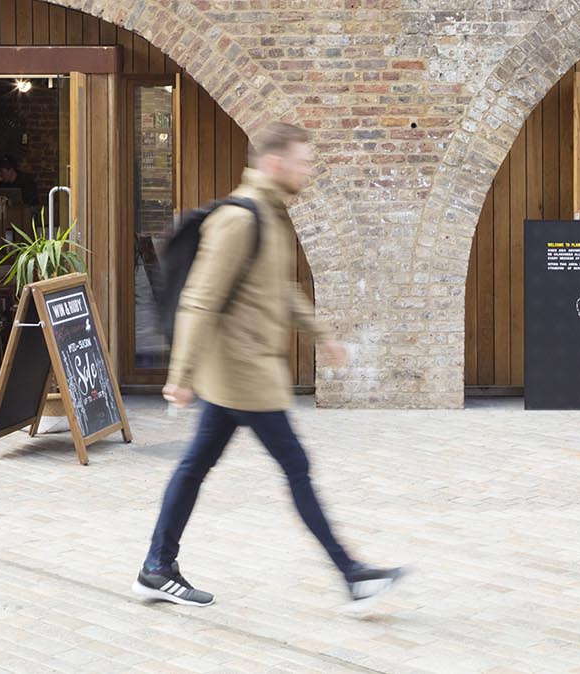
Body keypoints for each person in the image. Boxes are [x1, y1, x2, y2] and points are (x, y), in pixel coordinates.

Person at [135, 122, 404, 610]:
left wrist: (322, 335)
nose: (310, 170)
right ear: (275, 164)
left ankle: (157, 567)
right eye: (304, 162)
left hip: (239, 372)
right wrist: (181, 376)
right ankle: (352, 574)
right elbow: (199, 300)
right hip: (242, 374)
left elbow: (279, 289)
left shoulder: (272, 215)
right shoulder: (241, 220)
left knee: (195, 465)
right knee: (295, 465)